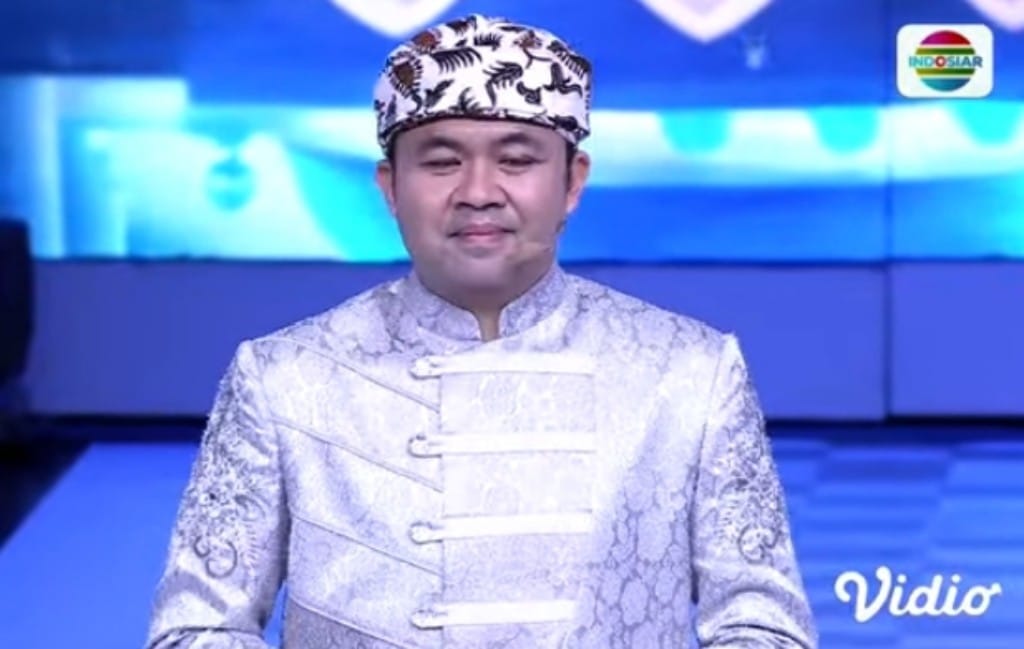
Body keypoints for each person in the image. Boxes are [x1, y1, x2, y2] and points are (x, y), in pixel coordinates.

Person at [145, 13, 817, 649]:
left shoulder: (690, 371)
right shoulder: (283, 376)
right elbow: (195, 627)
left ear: (573, 181)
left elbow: (765, 626)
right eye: (442, 162)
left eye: (516, 160)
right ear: (390, 186)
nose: (478, 191)